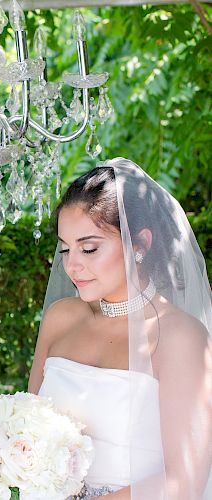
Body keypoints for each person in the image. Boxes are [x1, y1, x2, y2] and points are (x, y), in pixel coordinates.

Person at [28, 158, 211, 499]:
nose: (72, 264)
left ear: (139, 244)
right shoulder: (60, 318)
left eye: (89, 248)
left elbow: (184, 481)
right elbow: (28, 431)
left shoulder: (180, 337)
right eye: (66, 249)